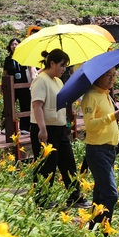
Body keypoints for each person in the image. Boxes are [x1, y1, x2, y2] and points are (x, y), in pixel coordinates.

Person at [30, 49, 90, 209]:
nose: (64, 69)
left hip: (59, 127)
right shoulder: (40, 80)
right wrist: (42, 129)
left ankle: (75, 197)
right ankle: (41, 199)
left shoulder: (58, 81)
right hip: (44, 128)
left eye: (66, 66)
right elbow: (37, 106)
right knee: (46, 165)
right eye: (62, 65)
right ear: (52, 63)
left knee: (68, 162)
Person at [81, 67, 119, 237]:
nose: (112, 79)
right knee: (110, 194)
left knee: (101, 194)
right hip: (97, 151)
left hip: (110, 151)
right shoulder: (90, 96)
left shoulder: (106, 94)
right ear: (98, 76)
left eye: (114, 75)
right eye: (108, 75)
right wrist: (114, 116)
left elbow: (108, 120)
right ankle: (103, 234)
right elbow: (90, 125)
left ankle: (95, 232)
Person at [3, 37, 35, 134]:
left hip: (24, 85)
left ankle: (25, 127)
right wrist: (2, 85)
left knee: (25, 105)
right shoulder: (8, 59)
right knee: (8, 106)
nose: (14, 46)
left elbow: (30, 68)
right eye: (12, 44)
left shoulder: (24, 57)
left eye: (16, 44)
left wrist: (33, 78)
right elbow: (4, 73)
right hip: (11, 86)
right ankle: (6, 127)